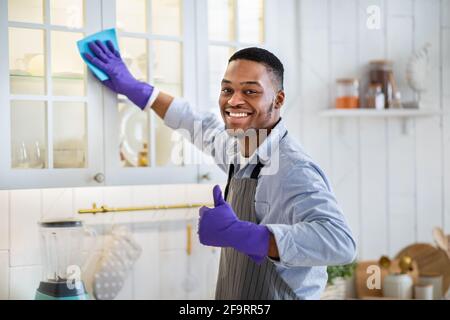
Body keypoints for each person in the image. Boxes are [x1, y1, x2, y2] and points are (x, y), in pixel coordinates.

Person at [84, 40, 357, 300]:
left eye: (250, 91)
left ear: (279, 99)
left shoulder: (292, 167)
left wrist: (243, 234)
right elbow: (195, 123)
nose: (234, 101)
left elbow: (340, 242)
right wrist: (139, 90)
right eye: (227, 90)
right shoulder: (239, 147)